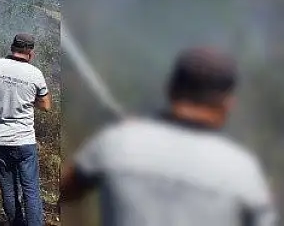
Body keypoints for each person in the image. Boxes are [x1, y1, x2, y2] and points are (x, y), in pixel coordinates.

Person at [60, 46, 278, 226]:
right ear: (228, 103)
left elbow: (65, 189)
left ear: (170, 88)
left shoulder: (117, 142)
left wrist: (130, 136)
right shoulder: (243, 170)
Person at [0, 33, 52, 226]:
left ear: (12, 47)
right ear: (30, 53)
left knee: (8, 189)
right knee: (31, 190)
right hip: (24, 142)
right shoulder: (35, 74)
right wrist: (27, 98)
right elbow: (46, 106)